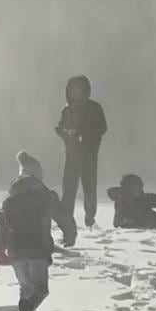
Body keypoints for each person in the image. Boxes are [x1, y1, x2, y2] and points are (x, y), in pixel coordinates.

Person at [0, 150, 77, 311]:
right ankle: (28, 309)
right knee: (40, 289)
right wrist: (70, 234)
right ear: (39, 176)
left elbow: (0, 226)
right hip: (37, 249)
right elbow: (63, 216)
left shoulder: (9, 201)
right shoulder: (46, 196)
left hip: (15, 252)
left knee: (25, 288)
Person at [55, 74, 107, 229]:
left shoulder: (94, 108)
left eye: (76, 88)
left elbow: (102, 128)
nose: (73, 91)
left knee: (89, 188)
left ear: (84, 89)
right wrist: (63, 133)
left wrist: (85, 134)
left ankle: (90, 220)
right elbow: (62, 127)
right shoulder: (67, 110)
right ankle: (66, 221)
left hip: (89, 154)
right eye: (70, 88)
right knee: (68, 189)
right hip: (71, 155)